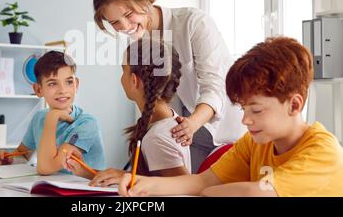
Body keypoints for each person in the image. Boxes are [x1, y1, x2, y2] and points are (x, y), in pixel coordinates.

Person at [118, 37, 343, 197]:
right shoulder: (254, 143)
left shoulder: (323, 151)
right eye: (243, 109)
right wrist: (140, 184)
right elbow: (200, 181)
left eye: (255, 110)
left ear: (294, 105)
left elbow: (255, 193)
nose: (245, 120)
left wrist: (206, 191)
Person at [92, 0, 245, 173]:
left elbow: (215, 85)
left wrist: (192, 123)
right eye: (115, 23)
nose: (125, 26)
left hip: (223, 130)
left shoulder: (193, 22)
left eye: (128, 15)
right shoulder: (142, 44)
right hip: (185, 133)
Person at [64, 38, 191, 186]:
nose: (121, 77)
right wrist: (86, 171)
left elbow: (184, 188)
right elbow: (155, 179)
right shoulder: (166, 120)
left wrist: (129, 176)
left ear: (133, 80)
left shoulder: (157, 137)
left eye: (123, 70)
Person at [0, 50, 106, 175]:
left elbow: (45, 168)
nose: (62, 90)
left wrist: (52, 117)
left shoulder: (86, 124)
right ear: (38, 89)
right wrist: (10, 159)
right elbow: (24, 155)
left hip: (84, 190)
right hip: (52, 187)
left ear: (76, 84)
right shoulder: (39, 117)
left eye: (69, 82)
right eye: (52, 83)